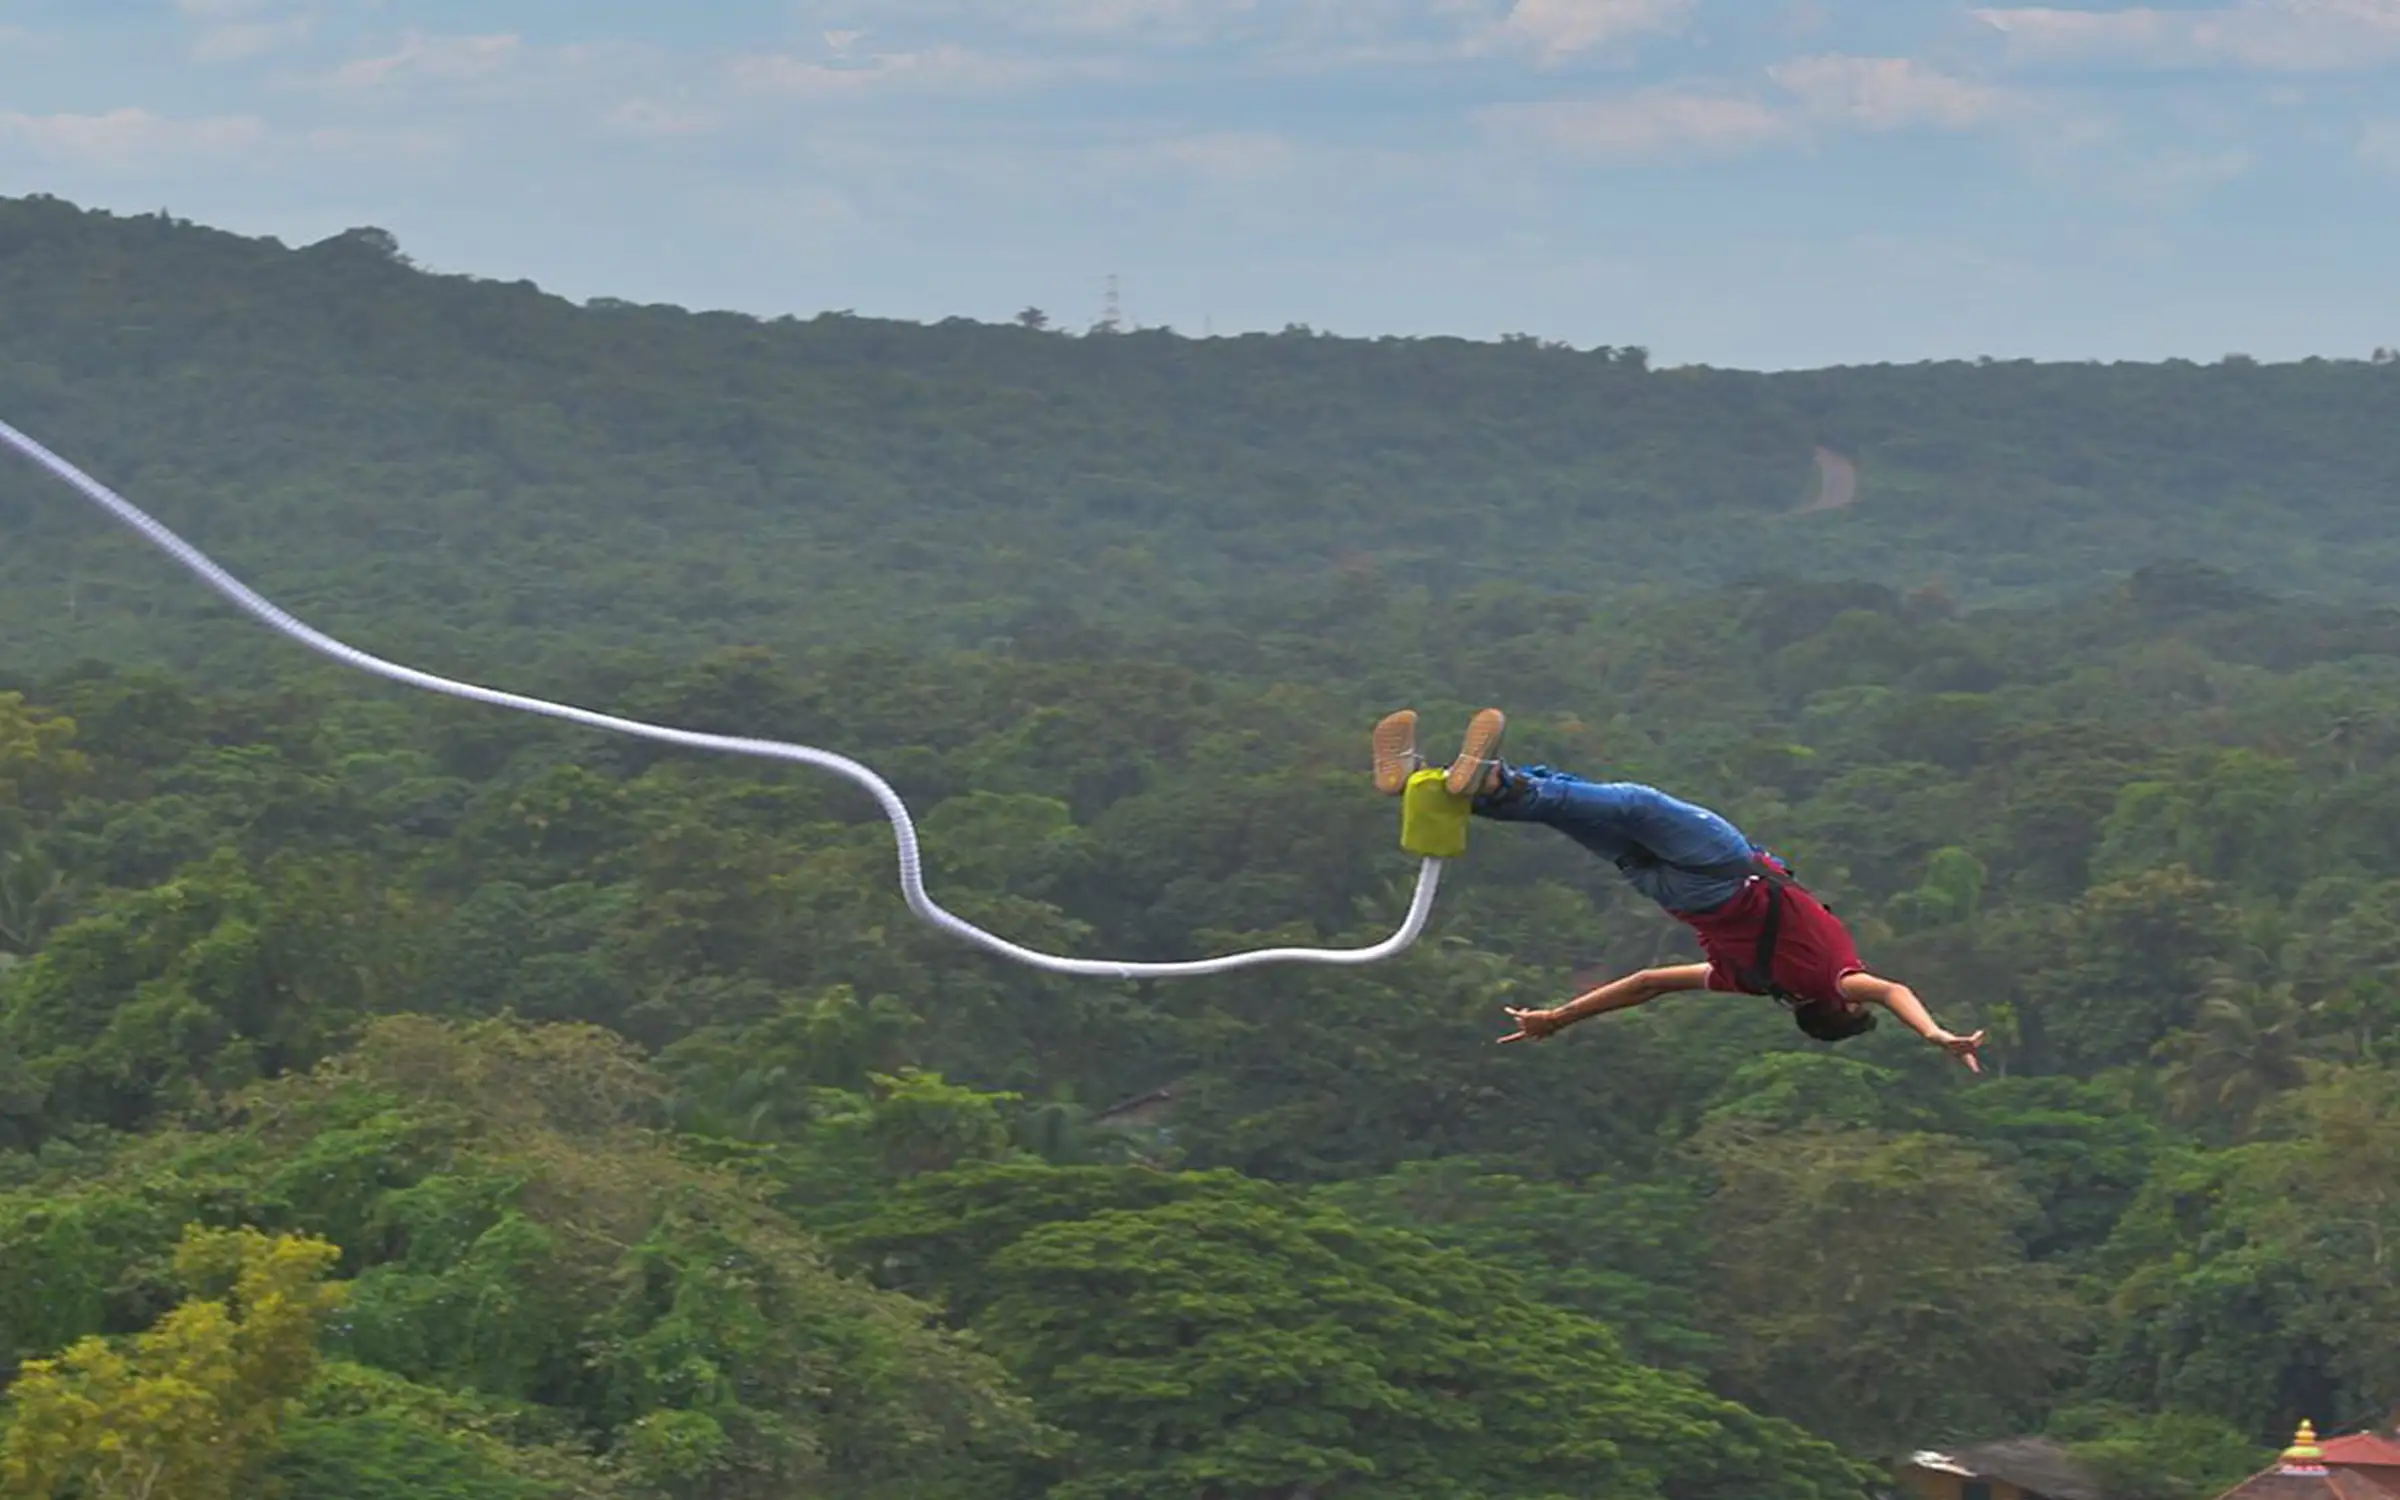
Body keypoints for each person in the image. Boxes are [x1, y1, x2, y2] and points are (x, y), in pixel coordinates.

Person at [1373, 707, 1986, 1071]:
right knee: (1576, 808)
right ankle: (1436, 788)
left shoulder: (1837, 978)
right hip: (1667, 891)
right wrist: (1559, 1019)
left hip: (1721, 870)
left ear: (1842, 1008)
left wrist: (1933, 1033)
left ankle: (1494, 780)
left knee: (1630, 801)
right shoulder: (1749, 982)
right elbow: (1648, 985)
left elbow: (1893, 989)